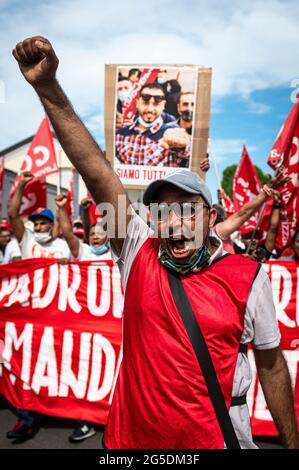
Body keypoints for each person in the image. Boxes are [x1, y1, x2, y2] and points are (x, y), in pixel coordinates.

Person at [13, 35, 299, 449]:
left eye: (187, 209)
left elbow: (272, 368)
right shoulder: (138, 253)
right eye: (162, 211)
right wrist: (47, 87)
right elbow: (96, 172)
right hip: (129, 448)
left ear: (212, 218)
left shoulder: (248, 277)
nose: (173, 221)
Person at [116, 82, 191, 167]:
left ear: (163, 105)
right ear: (137, 103)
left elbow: (190, 156)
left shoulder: (172, 132)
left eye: (156, 104)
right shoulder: (121, 135)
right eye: (145, 103)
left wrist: (183, 144)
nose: (150, 109)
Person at [8, 172, 71, 260]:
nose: (38, 227)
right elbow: (13, 214)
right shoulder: (27, 239)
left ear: (51, 225)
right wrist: (21, 184)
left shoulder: (63, 246)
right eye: (36, 224)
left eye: (42, 224)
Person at [55, 192, 111, 261]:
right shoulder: (83, 251)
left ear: (108, 238)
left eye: (100, 234)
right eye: (92, 234)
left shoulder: (115, 255)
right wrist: (62, 207)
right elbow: (68, 235)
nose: (95, 237)